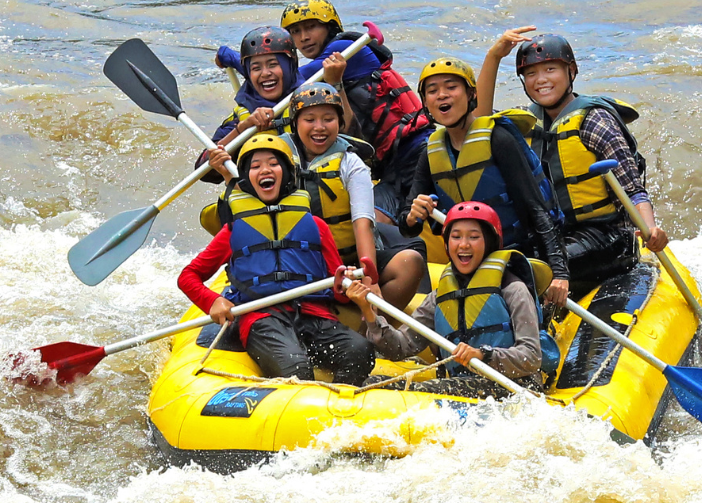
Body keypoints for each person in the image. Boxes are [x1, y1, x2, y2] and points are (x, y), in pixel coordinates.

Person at [478, 28, 668, 298]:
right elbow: (478, 124)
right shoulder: (525, 123)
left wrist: (649, 229)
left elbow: (633, 191)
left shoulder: (595, 121)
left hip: (609, 238)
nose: (540, 80)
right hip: (552, 236)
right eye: (531, 73)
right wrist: (494, 57)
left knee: (526, 269)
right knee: (495, 263)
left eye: (550, 70)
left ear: (571, 72)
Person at [177, 133, 373, 385]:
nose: (265, 170)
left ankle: (342, 402)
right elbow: (188, 277)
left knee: (359, 352)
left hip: (314, 314)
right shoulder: (233, 231)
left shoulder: (316, 226)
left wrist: (344, 286)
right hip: (262, 317)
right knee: (296, 367)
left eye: (273, 163)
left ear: (287, 173)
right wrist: (212, 301)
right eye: (256, 166)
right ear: (246, 179)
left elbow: (336, 287)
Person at [213, 85, 428, 311]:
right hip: (293, 260)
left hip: (346, 262)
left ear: (339, 122)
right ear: (295, 123)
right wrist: (228, 173)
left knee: (410, 262)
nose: (320, 128)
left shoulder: (351, 162)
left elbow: (362, 222)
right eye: (310, 119)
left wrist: (369, 277)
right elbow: (252, 203)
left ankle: (370, 329)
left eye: (328, 119)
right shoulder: (276, 158)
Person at [219, 0, 431, 217]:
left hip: (414, 150)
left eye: (311, 27)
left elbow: (291, 81)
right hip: (390, 163)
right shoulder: (330, 62)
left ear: (330, 26)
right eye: (295, 31)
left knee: (375, 218)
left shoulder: (345, 50)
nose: (304, 38)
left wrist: (230, 57)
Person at [396, 56, 570, 310]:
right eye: (432, 91)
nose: (442, 96)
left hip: (518, 257)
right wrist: (412, 216)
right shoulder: (431, 153)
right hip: (468, 262)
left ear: (470, 95)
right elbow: (407, 227)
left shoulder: (498, 139)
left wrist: (559, 273)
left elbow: (536, 210)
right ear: (425, 103)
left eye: (451, 87)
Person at [346, 202, 545, 396]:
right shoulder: (439, 297)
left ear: (489, 243)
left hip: (514, 385)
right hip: (463, 383)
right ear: (447, 244)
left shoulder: (512, 289)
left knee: (399, 390)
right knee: (373, 385)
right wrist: (369, 313)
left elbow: (531, 356)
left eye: (474, 237)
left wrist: (484, 354)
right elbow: (401, 347)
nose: (464, 244)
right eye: (456, 237)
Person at [198, 25, 296, 182]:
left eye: (273, 64)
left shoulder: (313, 97)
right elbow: (204, 171)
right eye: (256, 68)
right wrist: (242, 129)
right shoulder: (243, 115)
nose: (265, 73)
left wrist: (336, 82)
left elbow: (347, 130)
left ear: (289, 66)